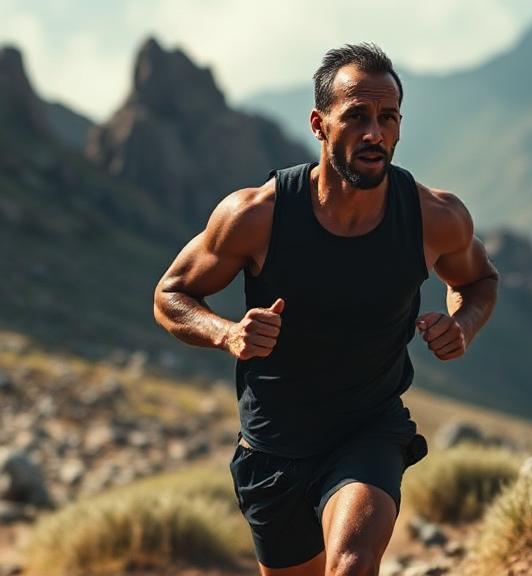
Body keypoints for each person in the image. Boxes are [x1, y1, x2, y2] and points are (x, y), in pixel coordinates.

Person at [152, 42, 499, 576]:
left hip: (369, 428)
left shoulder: (434, 217)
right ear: (320, 123)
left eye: (387, 118)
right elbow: (170, 296)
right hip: (273, 445)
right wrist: (228, 334)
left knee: (353, 565)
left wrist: (464, 325)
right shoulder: (256, 216)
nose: (375, 133)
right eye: (356, 116)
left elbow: (478, 280)